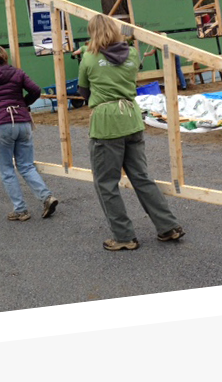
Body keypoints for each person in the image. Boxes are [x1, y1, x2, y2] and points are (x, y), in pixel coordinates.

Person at [77, 15, 185, 251]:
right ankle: (168, 226)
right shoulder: (132, 54)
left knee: (106, 183)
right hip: (132, 118)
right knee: (141, 176)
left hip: (107, 123)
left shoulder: (89, 57)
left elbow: (83, 90)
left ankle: (124, 236)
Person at [0, 45, 59, 222]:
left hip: (2, 123)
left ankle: (21, 210)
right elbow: (36, 90)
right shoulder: (17, 72)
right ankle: (46, 197)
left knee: (6, 169)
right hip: (22, 120)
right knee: (26, 165)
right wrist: (23, 104)